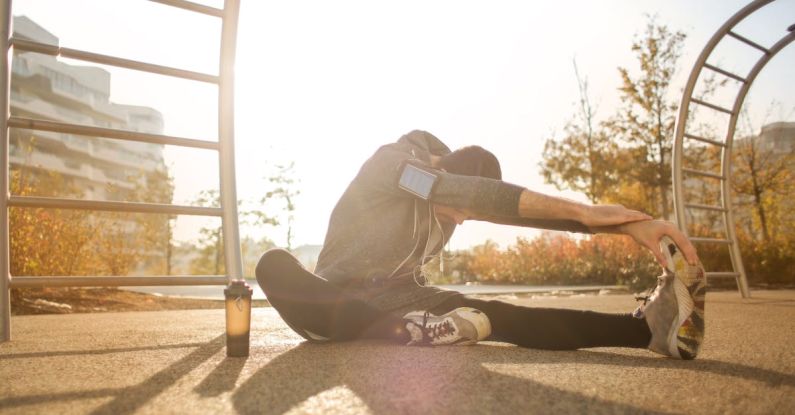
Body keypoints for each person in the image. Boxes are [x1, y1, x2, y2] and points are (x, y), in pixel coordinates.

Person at [256, 130, 706, 359]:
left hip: (405, 301)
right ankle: (408, 331)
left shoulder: (452, 197)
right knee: (273, 264)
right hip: (330, 305)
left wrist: (626, 227)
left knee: (499, 313)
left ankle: (646, 331)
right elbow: (465, 194)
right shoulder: (394, 166)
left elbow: (511, 209)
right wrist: (587, 211)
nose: (462, 220)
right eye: (460, 209)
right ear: (442, 170)